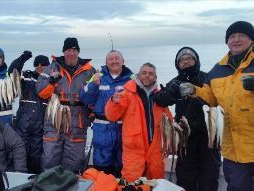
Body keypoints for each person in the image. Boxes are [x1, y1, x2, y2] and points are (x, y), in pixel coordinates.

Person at [179, 21, 254, 191]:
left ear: (251, 39)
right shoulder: (218, 69)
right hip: (233, 149)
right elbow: (211, 98)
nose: (236, 40)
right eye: (232, 36)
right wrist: (194, 90)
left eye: (241, 35)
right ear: (227, 41)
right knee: (237, 186)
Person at [154, 47, 221, 191]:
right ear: (177, 64)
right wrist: (170, 92)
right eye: (182, 60)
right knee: (185, 176)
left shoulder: (207, 78)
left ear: (196, 61)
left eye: (189, 58)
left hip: (208, 136)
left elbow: (218, 100)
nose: (185, 61)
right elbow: (160, 99)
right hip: (185, 137)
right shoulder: (175, 82)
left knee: (209, 176)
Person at [105, 63, 173, 182]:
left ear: (155, 77)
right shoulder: (127, 92)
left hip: (156, 149)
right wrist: (113, 102)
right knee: (131, 182)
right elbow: (111, 116)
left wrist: (169, 100)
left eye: (151, 74)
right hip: (134, 148)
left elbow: (169, 121)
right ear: (138, 75)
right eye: (144, 73)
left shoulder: (160, 96)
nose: (147, 76)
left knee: (157, 183)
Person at [36, 37, 96, 172]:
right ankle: (48, 184)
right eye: (68, 50)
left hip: (78, 121)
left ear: (78, 52)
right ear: (63, 52)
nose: (71, 53)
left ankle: (70, 184)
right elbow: (40, 92)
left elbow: (95, 95)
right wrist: (51, 82)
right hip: (54, 118)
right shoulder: (51, 68)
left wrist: (93, 112)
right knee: (50, 158)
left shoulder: (89, 70)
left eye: (74, 50)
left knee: (74, 161)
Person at [80, 50, 133, 177]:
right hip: (102, 131)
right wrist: (94, 85)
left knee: (124, 167)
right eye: (111, 59)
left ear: (123, 61)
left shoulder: (132, 79)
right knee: (102, 170)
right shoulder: (98, 77)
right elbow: (85, 98)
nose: (114, 61)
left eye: (117, 58)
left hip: (124, 129)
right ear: (106, 62)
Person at [8, 53, 50, 174]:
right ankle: (18, 176)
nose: (40, 67)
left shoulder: (50, 81)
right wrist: (21, 60)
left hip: (41, 125)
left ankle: (35, 178)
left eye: (44, 65)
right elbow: (12, 73)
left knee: (36, 154)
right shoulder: (27, 76)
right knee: (19, 151)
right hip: (23, 123)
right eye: (38, 64)